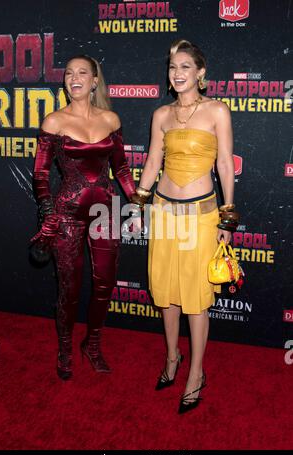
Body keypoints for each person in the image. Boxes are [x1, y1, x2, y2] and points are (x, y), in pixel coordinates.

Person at [135, 39, 238, 413]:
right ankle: (172, 358)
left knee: (195, 298)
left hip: (201, 214)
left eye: (184, 67)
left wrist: (228, 216)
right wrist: (138, 203)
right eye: (172, 68)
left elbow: (225, 164)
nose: (176, 74)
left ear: (201, 73)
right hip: (164, 211)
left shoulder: (217, 111)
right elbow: (150, 164)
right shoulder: (161, 115)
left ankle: (196, 373)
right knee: (166, 293)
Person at [30, 55, 136, 380]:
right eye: (69, 74)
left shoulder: (111, 119)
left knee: (104, 285)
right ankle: (65, 347)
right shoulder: (54, 121)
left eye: (82, 73)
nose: (74, 78)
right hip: (67, 214)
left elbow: (120, 168)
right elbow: (40, 175)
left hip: (106, 211)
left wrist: (136, 201)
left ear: (94, 81)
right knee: (69, 289)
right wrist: (47, 212)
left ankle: (92, 344)